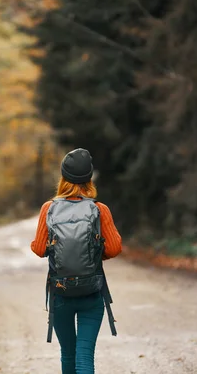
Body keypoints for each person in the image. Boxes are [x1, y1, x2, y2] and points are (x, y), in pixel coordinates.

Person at [30, 148, 122, 374]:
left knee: (68, 355)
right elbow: (115, 248)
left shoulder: (48, 209)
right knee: (84, 357)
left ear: (63, 178)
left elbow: (40, 248)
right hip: (91, 293)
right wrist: (94, 254)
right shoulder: (99, 210)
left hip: (60, 293)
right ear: (89, 179)